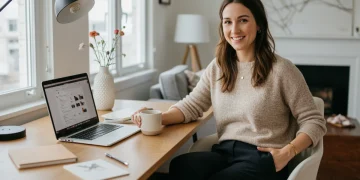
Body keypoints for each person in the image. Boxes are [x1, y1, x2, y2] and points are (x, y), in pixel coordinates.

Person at [132, 0, 327, 179]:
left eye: (243, 20)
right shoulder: (218, 66)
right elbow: (192, 105)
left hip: (264, 158)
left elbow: (314, 121)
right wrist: (157, 117)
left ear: (259, 25)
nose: (234, 29)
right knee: (182, 166)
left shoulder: (282, 69)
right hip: (225, 151)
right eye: (227, 22)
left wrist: (287, 152)